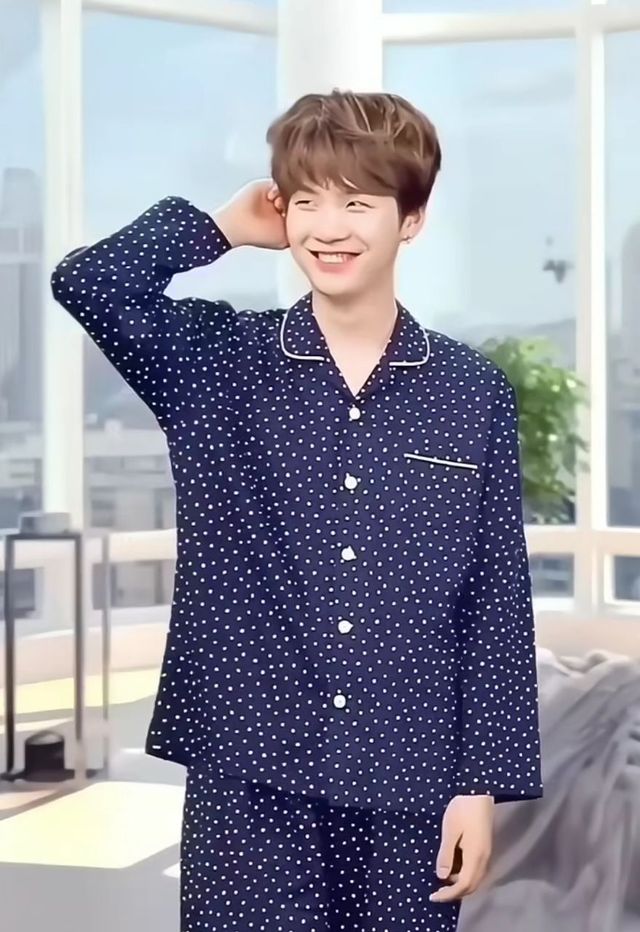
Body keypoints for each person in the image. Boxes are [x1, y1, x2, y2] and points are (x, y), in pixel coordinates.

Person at [50, 89, 544, 931]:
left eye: (357, 203)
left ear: (411, 220)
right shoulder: (217, 365)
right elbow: (88, 283)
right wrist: (221, 227)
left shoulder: (472, 393)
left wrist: (479, 784)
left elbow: (494, 597)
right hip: (248, 769)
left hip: (409, 776)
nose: (328, 228)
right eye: (307, 200)